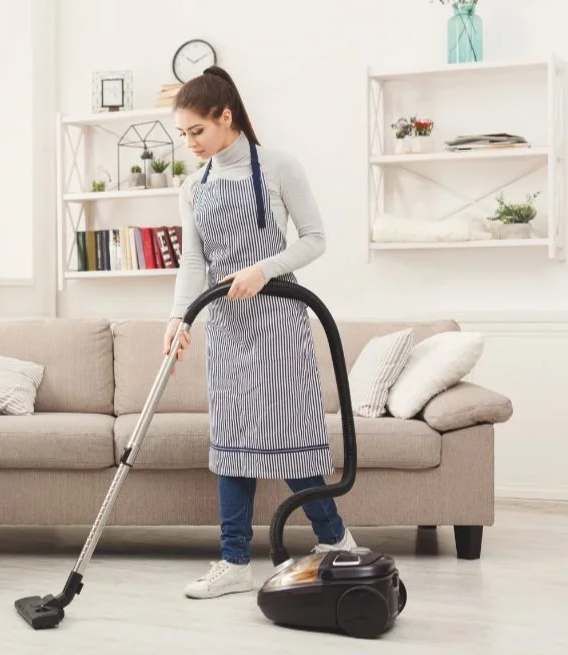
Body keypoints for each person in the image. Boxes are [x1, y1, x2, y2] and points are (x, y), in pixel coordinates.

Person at [163, 65, 358, 600]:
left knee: (290, 438)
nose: (190, 143)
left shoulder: (277, 166)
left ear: (226, 117)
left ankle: (337, 541)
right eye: (183, 134)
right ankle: (234, 562)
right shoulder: (192, 186)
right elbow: (193, 264)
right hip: (226, 328)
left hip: (279, 319)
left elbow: (315, 239)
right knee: (232, 442)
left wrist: (263, 268)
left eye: (196, 131)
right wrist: (179, 320)